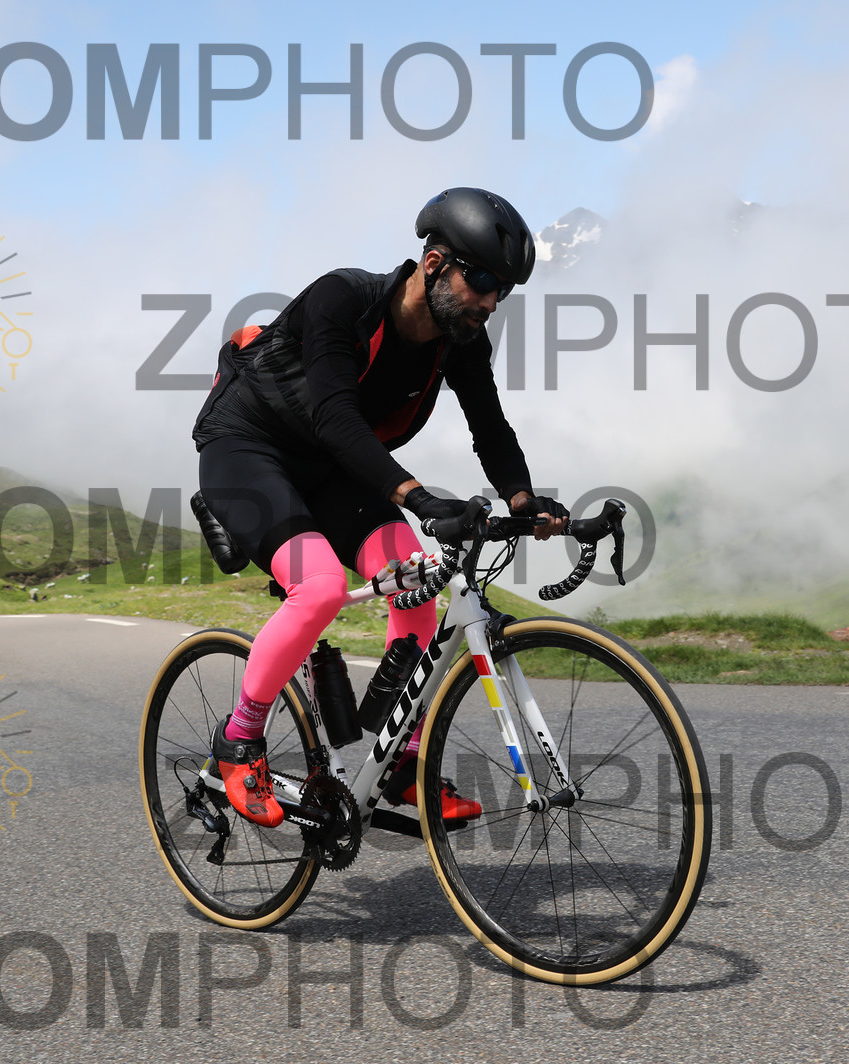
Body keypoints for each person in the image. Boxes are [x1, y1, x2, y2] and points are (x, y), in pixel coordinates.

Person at [192, 187, 568, 828]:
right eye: (481, 280)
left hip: (332, 470)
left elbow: (490, 428)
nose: (490, 301)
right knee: (318, 588)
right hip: (248, 448)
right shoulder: (342, 299)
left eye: (501, 290)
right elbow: (337, 419)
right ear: (435, 264)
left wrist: (524, 500)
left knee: (417, 588)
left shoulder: (461, 341)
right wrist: (418, 498)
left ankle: (400, 760)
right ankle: (239, 738)